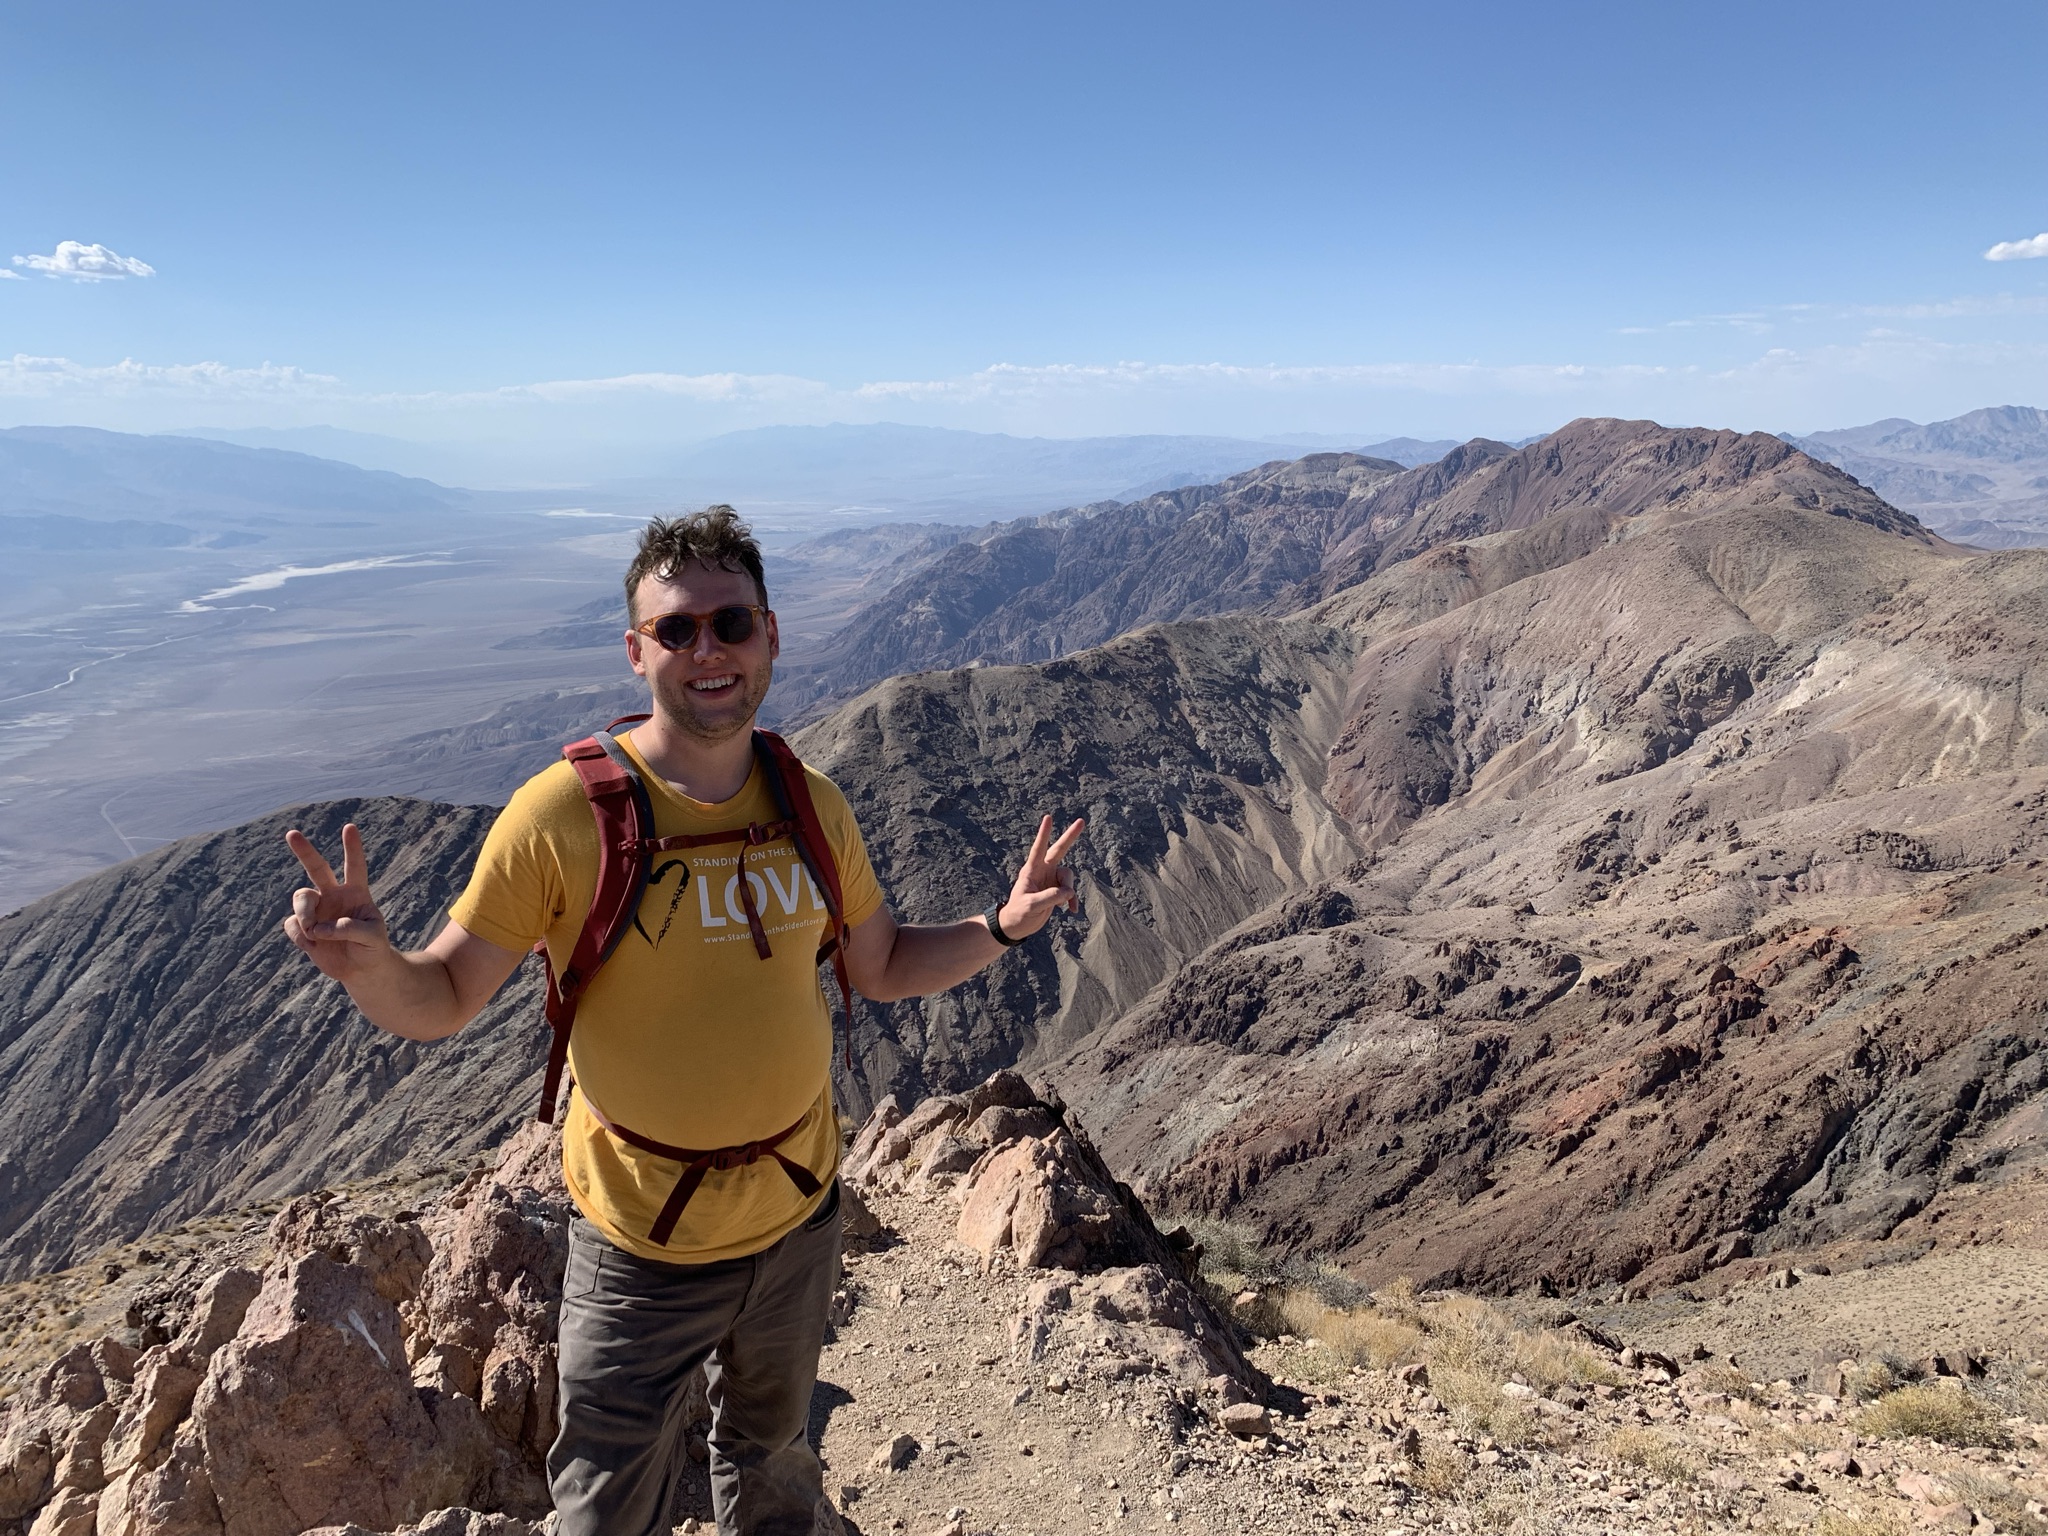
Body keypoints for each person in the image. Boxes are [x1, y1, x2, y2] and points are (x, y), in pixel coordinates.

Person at [282, 506, 1083, 1536]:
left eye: (730, 624)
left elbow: (881, 964)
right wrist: (370, 967)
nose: (708, 650)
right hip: (639, 1247)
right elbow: (440, 996)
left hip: (797, 1221)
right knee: (606, 1507)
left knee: (774, 1463)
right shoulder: (562, 819)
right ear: (636, 651)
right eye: (676, 629)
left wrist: (1001, 926)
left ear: (770, 636)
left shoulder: (811, 806)